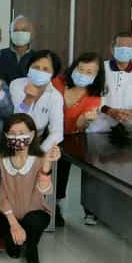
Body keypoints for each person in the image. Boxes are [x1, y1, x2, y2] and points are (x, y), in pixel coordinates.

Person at [0, 113, 60, 263]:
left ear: (32, 135)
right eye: (12, 133)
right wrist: (14, 224)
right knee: (13, 251)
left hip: (34, 212)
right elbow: (0, 195)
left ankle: (32, 252)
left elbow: (45, 190)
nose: (17, 137)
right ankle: (21, 236)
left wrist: (46, 166)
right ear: (6, 136)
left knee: (34, 222)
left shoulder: (39, 159)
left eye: (22, 133)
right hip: (7, 214)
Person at [52, 52, 105, 226]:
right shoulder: (57, 82)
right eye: (80, 69)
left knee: (62, 167)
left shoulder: (93, 96)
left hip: (69, 136)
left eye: (89, 72)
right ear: (74, 67)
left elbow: (80, 126)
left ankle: (56, 205)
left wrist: (86, 119)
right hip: (47, 132)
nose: (83, 74)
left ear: (96, 75)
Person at [88, 32, 132, 133]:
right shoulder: (100, 68)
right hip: (99, 128)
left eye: (129, 47)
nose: (124, 50)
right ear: (112, 48)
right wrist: (108, 110)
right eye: (120, 46)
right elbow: (90, 95)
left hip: (129, 128)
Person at [10, 50, 64, 153]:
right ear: (29, 68)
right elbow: (17, 121)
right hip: (13, 138)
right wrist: (28, 99)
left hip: (37, 142)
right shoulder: (16, 85)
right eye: (36, 67)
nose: (40, 72)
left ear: (53, 74)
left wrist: (40, 153)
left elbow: (57, 132)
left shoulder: (56, 97)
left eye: (46, 69)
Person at [0, 16, 35, 84]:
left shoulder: (38, 57)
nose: (20, 33)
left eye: (24, 30)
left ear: (31, 34)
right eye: (15, 30)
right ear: (10, 33)